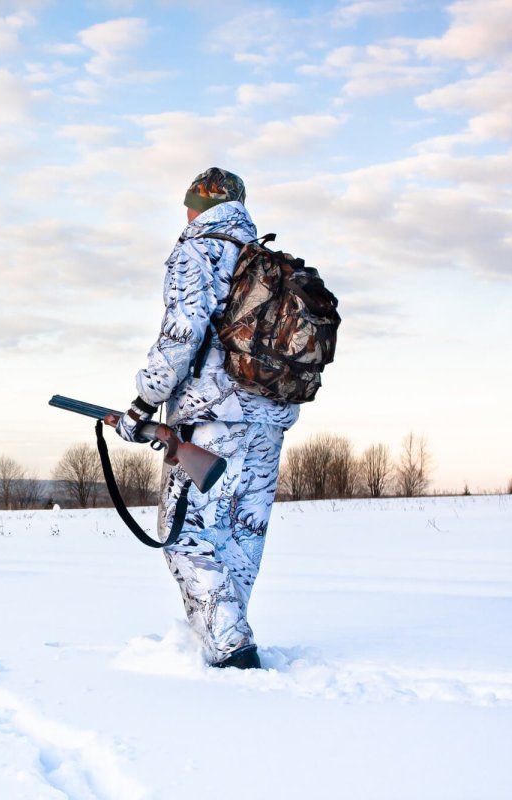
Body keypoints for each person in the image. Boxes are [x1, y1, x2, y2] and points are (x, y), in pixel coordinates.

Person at [107, 168, 298, 670]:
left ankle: (231, 650)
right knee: (243, 532)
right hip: (270, 414)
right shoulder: (263, 258)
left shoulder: (198, 249)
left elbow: (182, 333)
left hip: (212, 416)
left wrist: (144, 402)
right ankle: (226, 635)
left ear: (194, 206)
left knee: (185, 536)